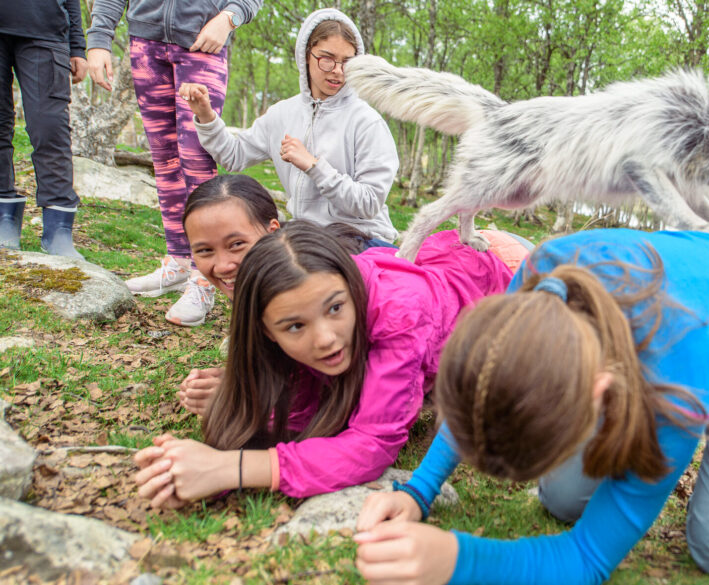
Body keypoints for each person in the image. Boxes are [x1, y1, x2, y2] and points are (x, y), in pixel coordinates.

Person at [355, 228, 709, 583]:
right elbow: (484, 378)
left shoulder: (674, 385)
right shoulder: (542, 276)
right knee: (564, 501)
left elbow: (588, 560)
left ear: (602, 393)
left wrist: (457, 559)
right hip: (691, 297)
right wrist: (418, 491)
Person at [133, 220, 514, 506]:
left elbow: (372, 444)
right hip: (441, 259)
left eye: (335, 308)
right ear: (265, 332)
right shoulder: (310, 305)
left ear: (351, 288)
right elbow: (303, 413)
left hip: (500, 272)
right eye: (295, 326)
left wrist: (226, 468)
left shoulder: (399, 314)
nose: (326, 339)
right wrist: (226, 429)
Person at [174, 174, 529, 416]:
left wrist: (246, 401)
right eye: (204, 251)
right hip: (449, 258)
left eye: (237, 244)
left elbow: (367, 397)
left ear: (273, 234)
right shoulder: (272, 296)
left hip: (499, 259)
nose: (223, 265)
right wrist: (245, 381)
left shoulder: (336, 285)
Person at [86, 0, 263, 326]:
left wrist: (229, 18)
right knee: (164, 160)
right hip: (145, 42)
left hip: (203, 41)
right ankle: (179, 262)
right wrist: (99, 39)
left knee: (197, 159)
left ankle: (204, 277)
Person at [179, 9, 400, 245]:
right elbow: (234, 156)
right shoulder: (282, 114)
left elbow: (368, 205)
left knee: (288, 272)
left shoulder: (367, 122)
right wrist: (205, 114)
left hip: (361, 237)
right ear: (306, 54)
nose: (337, 70)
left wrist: (313, 166)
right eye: (326, 58)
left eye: (347, 62)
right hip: (307, 235)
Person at [0, 0, 88, 258]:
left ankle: (58, 230)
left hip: (46, 30)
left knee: (50, 128)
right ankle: (3, 220)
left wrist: (78, 46)